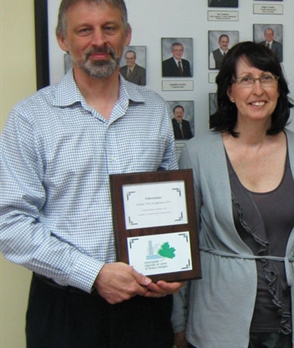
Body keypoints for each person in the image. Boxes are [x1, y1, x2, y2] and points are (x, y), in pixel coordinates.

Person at [0, 0, 182, 347]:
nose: (99, 41)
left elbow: (170, 203)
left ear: (126, 35)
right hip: (64, 307)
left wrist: (172, 268)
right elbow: (10, 223)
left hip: (144, 304)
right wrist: (93, 274)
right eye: (85, 30)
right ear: (62, 39)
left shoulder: (154, 110)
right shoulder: (30, 118)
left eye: (109, 28)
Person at [171, 41, 294, 348]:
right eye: (246, 79)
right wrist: (178, 319)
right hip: (217, 320)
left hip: (288, 321)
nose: (258, 90)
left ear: (279, 88)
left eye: (267, 78)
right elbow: (182, 246)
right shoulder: (197, 154)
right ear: (230, 92)